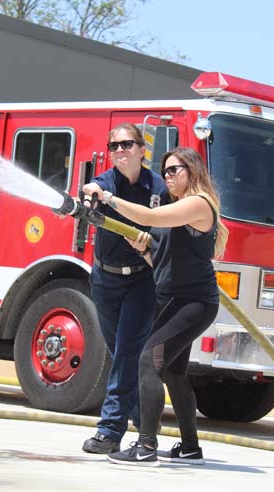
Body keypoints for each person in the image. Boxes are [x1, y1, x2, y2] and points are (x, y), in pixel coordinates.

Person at [85, 147, 228, 467]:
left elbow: (148, 217)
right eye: (164, 172)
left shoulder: (198, 204)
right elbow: (161, 261)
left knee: (148, 362)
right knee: (174, 374)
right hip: (173, 300)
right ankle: (190, 447)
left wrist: (107, 197)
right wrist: (143, 251)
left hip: (194, 302)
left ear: (192, 171)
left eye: (174, 170)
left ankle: (146, 445)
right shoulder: (177, 208)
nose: (168, 177)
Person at [81, 123, 170, 455]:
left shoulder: (158, 187)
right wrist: (91, 194)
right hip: (104, 278)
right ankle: (145, 419)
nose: (120, 150)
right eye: (114, 145)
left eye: (127, 144)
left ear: (141, 149)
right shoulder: (107, 182)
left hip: (141, 281)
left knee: (128, 351)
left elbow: (169, 226)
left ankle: (109, 431)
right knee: (121, 353)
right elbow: (93, 188)